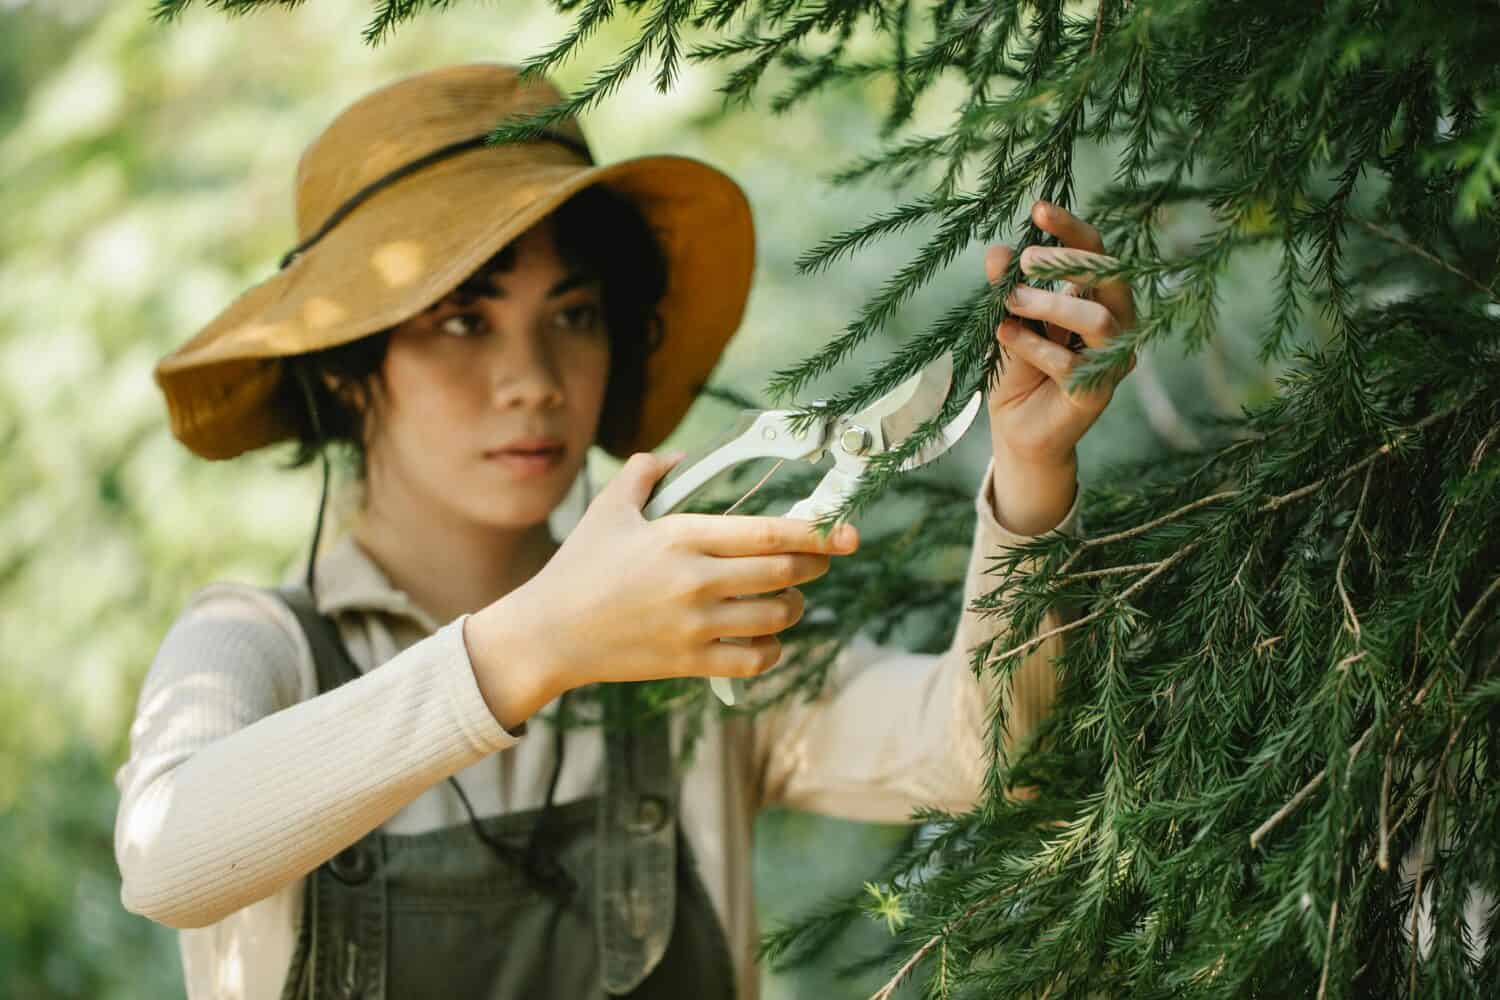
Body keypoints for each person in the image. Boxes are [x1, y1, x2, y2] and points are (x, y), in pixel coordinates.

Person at [114, 63, 1135, 999]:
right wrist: (540, 642)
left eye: (574, 314)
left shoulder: (686, 626)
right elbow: (165, 859)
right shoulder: (255, 645)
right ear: (346, 364)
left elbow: (988, 758)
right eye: (464, 321)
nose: (534, 381)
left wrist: (1032, 473)